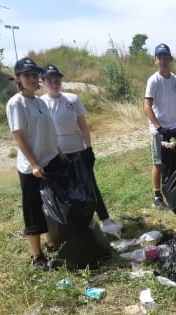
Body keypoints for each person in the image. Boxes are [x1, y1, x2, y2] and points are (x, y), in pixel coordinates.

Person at [40, 64, 122, 235]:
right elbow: (44, 132)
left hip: (77, 149)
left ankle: (105, 219)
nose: (54, 84)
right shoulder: (41, 103)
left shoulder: (72, 99)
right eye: (50, 81)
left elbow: (83, 126)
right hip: (56, 153)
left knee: (90, 185)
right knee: (68, 190)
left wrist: (88, 148)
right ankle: (78, 224)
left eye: (57, 80)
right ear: (44, 83)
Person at [6, 57, 63, 269]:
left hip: (50, 161)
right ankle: (37, 256)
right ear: (18, 79)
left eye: (34, 75)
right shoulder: (16, 103)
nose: (32, 78)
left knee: (50, 206)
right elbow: (19, 137)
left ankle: (51, 243)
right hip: (32, 168)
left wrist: (59, 151)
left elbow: (48, 131)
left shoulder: (40, 102)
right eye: (27, 75)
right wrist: (34, 165)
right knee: (34, 211)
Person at [144, 43, 176, 210]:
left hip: (174, 124)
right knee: (158, 162)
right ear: (155, 60)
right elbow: (147, 106)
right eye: (160, 58)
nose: (163, 61)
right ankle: (157, 197)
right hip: (158, 128)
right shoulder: (153, 81)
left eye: (166, 58)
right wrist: (158, 127)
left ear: (171, 59)